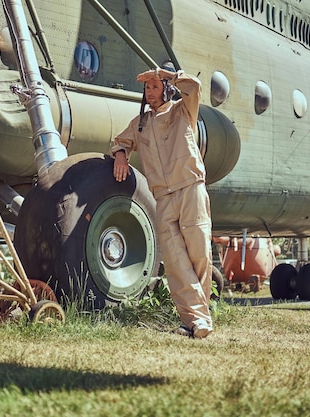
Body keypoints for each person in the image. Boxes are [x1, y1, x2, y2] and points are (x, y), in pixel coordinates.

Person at [110, 64, 213, 338]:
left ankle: (197, 319)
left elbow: (194, 87)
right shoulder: (140, 123)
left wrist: (167, 74)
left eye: (155, 86)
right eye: (147, 87)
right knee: (176, 261)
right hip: (163, 198)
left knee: (199, 254)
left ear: (166, 88)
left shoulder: (183, 110)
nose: (150, 91)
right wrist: (121, 155)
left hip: (190, 187)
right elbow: (121, 141)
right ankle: (195, 319)